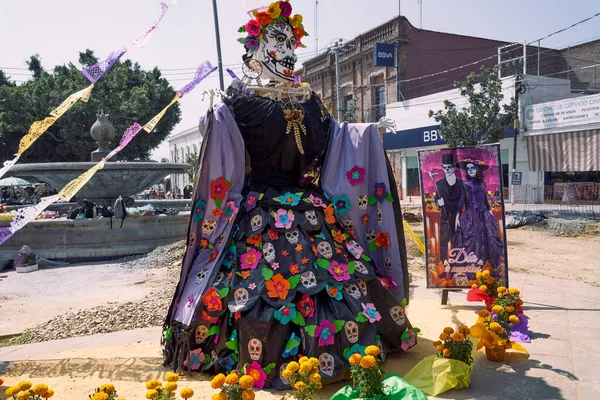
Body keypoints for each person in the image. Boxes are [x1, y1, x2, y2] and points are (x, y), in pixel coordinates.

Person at [162, 0, 414, 389]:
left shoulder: (312, 101)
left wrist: (368, 132)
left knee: (336, 279)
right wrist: (215, 120)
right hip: (258, 213)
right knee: (260, 287)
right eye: (279, 38)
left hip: (312, 210)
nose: (290, 49)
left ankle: (331, 355)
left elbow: (338, 140)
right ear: (256, 45)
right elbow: (224, 154)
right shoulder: (239, 102)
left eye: (293, 41)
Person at [451, 158, 504, 269]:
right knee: (471, 239)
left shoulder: (482, 183)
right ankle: (473, 265)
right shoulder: (465, 184)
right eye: (468, 168)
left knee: (488, 238)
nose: (470, 170)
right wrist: (457, 216)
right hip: (471, 216)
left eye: (472, 168)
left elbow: (485, 200)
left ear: (477, 169)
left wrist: (491, 213)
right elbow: (461, 201)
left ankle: (486, 265)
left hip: (484, 214)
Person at [434, 153, 464, 265]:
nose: (447, 169)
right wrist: (438, 202)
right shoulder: (439, 184)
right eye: (444, 167)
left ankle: (457, 264)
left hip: (457, 217)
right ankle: (443, 263)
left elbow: (464, 200)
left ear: (454, 167)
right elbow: (436, 199)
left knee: (457, 241)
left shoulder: (461, 183)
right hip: (445, 217)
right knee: (443, 241)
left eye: (449, 167)